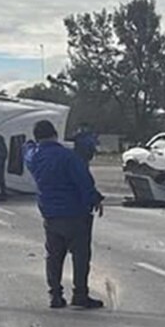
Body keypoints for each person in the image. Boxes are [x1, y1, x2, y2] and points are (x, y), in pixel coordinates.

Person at [25, 119, 104, 310]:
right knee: (80, 256)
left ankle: (55, 295)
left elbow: (25, 150)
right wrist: (95, 199)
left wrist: (29, 143)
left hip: (50, 213)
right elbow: (83, 181)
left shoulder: (33, 157)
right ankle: (80, 295)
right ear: (55, 134)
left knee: (53, 256)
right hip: (75, 212)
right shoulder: (68, 157)